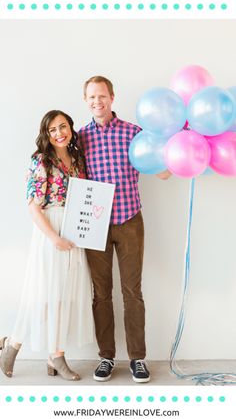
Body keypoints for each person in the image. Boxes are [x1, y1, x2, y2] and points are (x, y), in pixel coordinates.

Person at [78, 76, 169, 384]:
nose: (97, 101)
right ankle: (106, 356)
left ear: (112, 97)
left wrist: (171, 163)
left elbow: (161, 168)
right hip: (95, 225)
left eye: (102, 96)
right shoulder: (79, 139)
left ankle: (137, 359)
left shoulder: (134, 133)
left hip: (130, 220)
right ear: (85, 100)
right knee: (101, 293)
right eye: (91, 97)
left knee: (132, 292)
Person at [0, 110, 93, 381]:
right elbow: (33, 206)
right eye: (52, 130)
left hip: (75, 228)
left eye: (63, 127)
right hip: (51, 228)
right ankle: (14, 344)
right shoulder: (41, 160)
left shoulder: (77, 158)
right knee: (43, 295)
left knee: (64, 296)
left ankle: (55, 355)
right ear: (46, 134)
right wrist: (54, 237)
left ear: (71, 129)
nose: (59, 133)